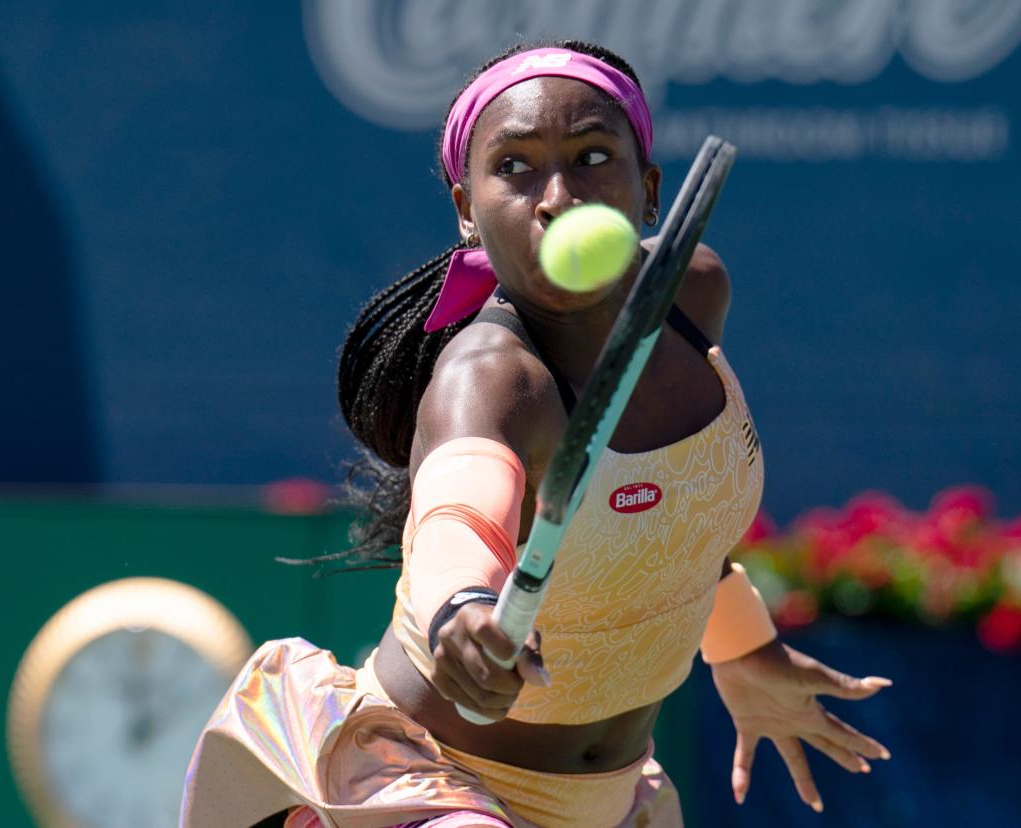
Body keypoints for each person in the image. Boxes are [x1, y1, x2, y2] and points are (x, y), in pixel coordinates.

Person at [181, 39, 892, 828]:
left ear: (649, 190)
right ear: (466, 211)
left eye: (592, 156)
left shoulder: (691, 296)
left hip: (609, 805)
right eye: (514, 167)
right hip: (429, 787)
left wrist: (743, 650)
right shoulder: (489, 380)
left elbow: (666, 530)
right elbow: (460, 516)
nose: (559, 196)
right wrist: (461, 612)